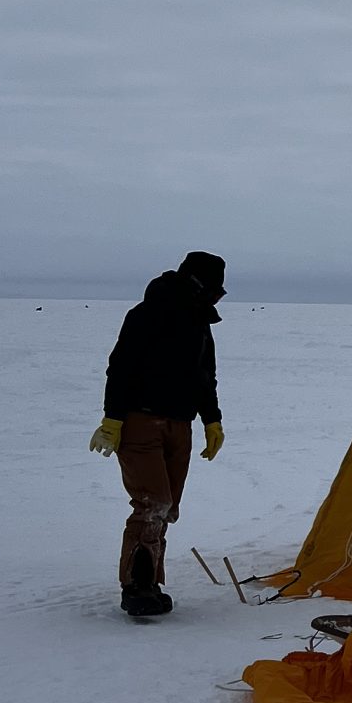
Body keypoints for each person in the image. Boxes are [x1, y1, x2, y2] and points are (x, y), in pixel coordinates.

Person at [89, 251, 228, 618]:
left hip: (180, 425)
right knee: (153, 502)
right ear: (199, 285)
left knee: (167, 507)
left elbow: (204, 377)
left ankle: (149, 582)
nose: (217, 300)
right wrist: (113, 420)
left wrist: (211, 420)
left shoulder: (200, 323)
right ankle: (135, 586)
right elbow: (120, 368)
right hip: (140, 422)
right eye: (215, 292)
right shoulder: (146, 314)